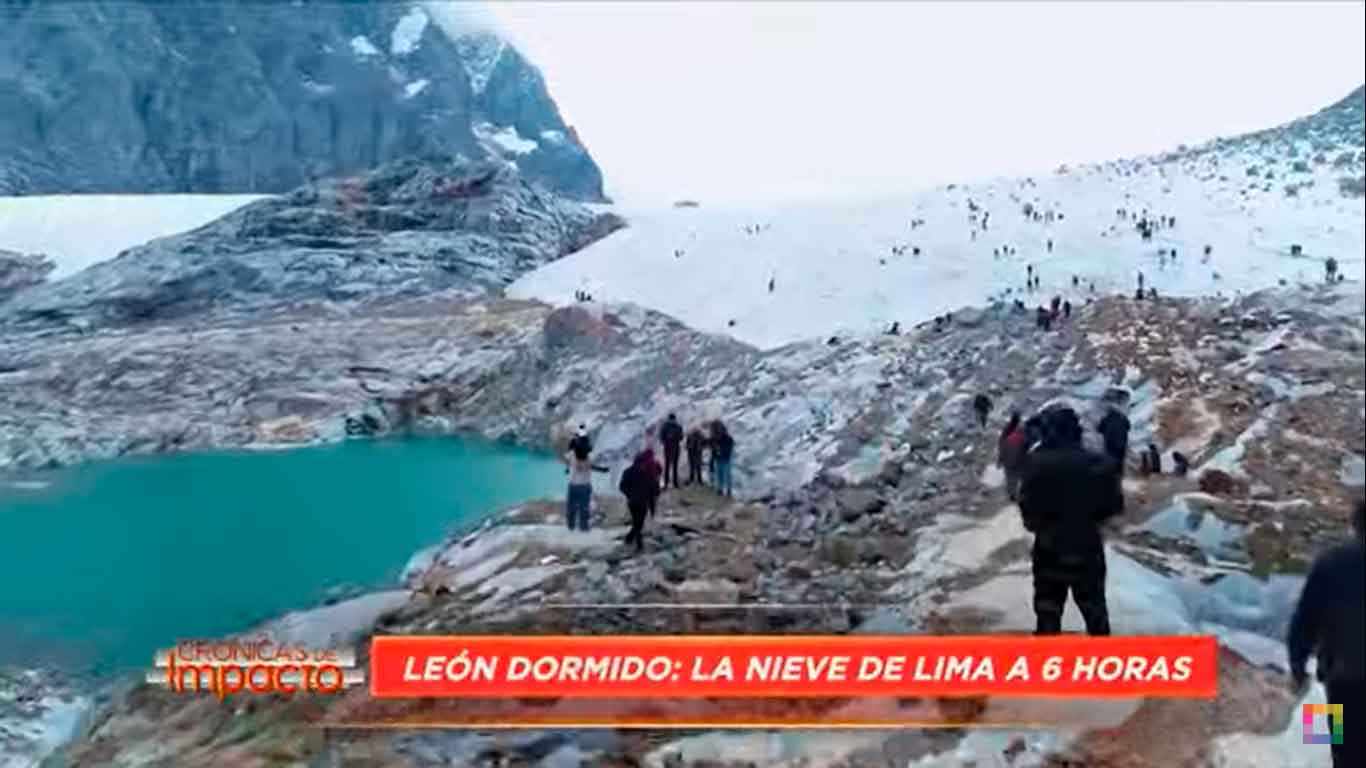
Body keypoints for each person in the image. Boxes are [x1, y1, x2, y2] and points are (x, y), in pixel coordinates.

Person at [1017, 407, 1124, 635]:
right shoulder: (1099, 463)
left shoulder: (1035, 463)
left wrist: (1039, 525)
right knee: (1095, 613)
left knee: (1048, 613)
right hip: (1087, 546)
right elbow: (1113, 507)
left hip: (1049, 548)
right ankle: (1103, 664)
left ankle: (1048, 664)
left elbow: (1027, 506)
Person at [1288, 499, 1364, 768]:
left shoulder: (1330, 562)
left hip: (1339, 681)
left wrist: (1297, 666)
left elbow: (1304, 620)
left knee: (1338, 750)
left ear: (1355, 525)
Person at [618, 453, 656, 552]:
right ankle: (638, 544)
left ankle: (630, 539)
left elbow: (622, 486)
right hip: (642, 502)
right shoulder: (647, 474)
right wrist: (652, 509)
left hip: (632, 502)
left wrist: (629, 494)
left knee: (637, 523)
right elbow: (652, 491)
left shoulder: (627, 472)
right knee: (638, 523)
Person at [564, 440, 595, 531]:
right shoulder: (590, 456)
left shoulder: (572, 454)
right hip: (585, 486)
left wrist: (568, 467)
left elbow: (566, 456)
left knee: (571, 508)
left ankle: (571, 527)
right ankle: (583, 527)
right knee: (584, 508)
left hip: (573, 485)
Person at [998, 411, 1027, 501]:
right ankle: (1017, 493)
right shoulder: (1022, 434)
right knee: (1017, 476)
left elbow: (1002, 442)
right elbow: (1025, 448)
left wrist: (1000, 459)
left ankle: (1011, 493)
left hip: (1008, 456)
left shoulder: (1008, 429)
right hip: (1018, 458)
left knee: (1010, 477)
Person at [1097, 407, 1131, 473]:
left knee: (1110, 459)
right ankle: (1119, 475)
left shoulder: (1105, 418)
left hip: (1110, 443)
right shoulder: (1123, 418)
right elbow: (1128, 427)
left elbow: (1099, 429)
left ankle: (1111, 475)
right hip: (1122, 443)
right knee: (1120, 460)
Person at [659, 414, 685, 489]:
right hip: (676, 447)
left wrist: (665, 442)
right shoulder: (678, 426)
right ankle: (675, 483)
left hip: (667, 448)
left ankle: (666, 483)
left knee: (667, 465)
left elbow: (661, 437)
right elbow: (681, 437)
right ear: (675, 418)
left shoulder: (664, 426)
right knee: (675, 466)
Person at [711, 421, 736, 497]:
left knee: (724, 474)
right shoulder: (718, 437)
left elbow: (730, 445)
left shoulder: (725, 437)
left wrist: (720, 450)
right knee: (721, 474)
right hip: (721, 457)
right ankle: (723, 489)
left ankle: (726, 490)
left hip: (725, 457)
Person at [641, 446, 663, 517]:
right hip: (654, 483)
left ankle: (645, 514)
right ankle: (652, 514)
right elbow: (660, 469)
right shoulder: (655, 462)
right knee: (652, 500)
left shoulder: (643, 463)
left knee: (645, 500)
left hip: (645, 484)